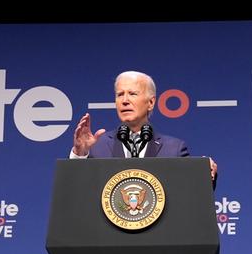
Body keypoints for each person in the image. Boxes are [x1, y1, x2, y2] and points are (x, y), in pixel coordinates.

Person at [70, 70, 218, 184]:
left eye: (132, 94)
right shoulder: (98, 146)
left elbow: (193, 195)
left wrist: (205, 174)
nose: (125, 100)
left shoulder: (174, 149)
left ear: (151, 102)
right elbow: (77, 192)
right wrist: (79, 153)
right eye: (120, 94)